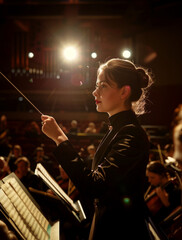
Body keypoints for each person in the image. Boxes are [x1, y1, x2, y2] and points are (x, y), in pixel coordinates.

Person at [41, 58, 153, 239]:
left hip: (121, 231)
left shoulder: (130, 134)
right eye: (96, 85)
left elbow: (96, 186)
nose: (95, 91)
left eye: (103, 86)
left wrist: (60, 139)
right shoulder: (118, 129)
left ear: (124, 91)